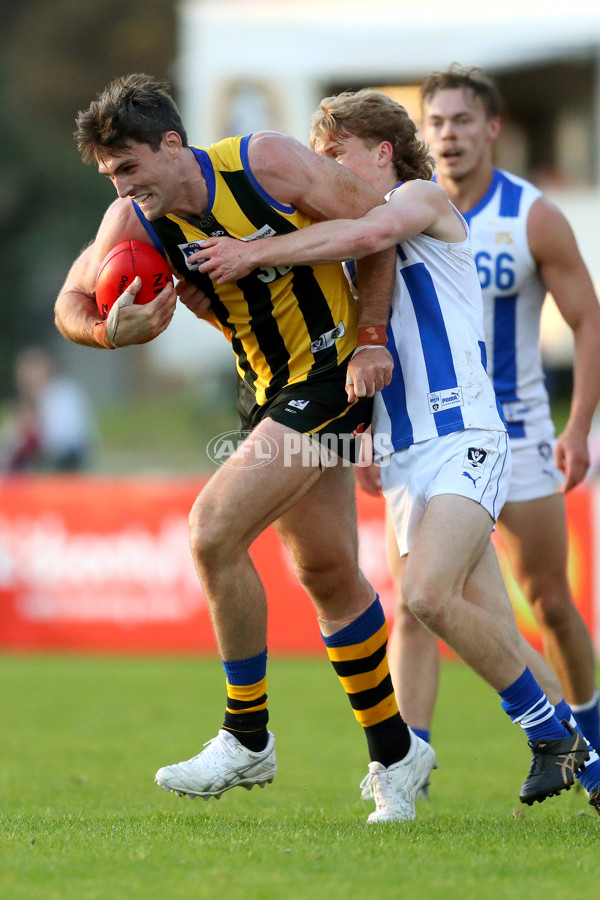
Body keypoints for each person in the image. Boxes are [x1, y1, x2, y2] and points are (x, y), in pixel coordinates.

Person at [196, 87, 600, 814]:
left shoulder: (418, 197)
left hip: (465, 436)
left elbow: (364, 237)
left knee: (424, 597)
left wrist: (254, 250)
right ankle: (591, 768)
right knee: (491, 628)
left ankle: (548, 734)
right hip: (407, 456)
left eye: (336, 155)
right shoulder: (349, 243)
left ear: (380, 152)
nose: (326, 172)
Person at [54, 73, 435, 824]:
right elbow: (72, 300)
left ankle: (246, 735)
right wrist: (107, 331)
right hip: (265, 389)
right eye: (110, 176)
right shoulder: (133, 218)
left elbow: (380, 230)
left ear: (173, 143)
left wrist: (368, 339)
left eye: (130, 167)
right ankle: (398, 754)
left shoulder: (266, 164)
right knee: (326, 571)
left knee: (212, 528)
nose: (124, 188)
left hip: (329, 373)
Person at [363, 66, 600, 781]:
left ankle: (588, 743)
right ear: (420, 133)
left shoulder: (532, 215)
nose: (449, 136)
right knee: (417, 603)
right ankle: (412, 759)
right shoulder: (399, 212)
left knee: (548, 601)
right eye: (436, 123)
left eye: (463, 121)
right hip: (426, 433)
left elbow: (586, 318)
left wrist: (578, 425)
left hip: (518, 431)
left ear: (492, 128)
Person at [1, 346, 95, 472]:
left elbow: (65, 438)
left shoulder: (63, 394)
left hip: (64, 459)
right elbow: (11, 443)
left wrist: (32, 431)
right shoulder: (25, 403)